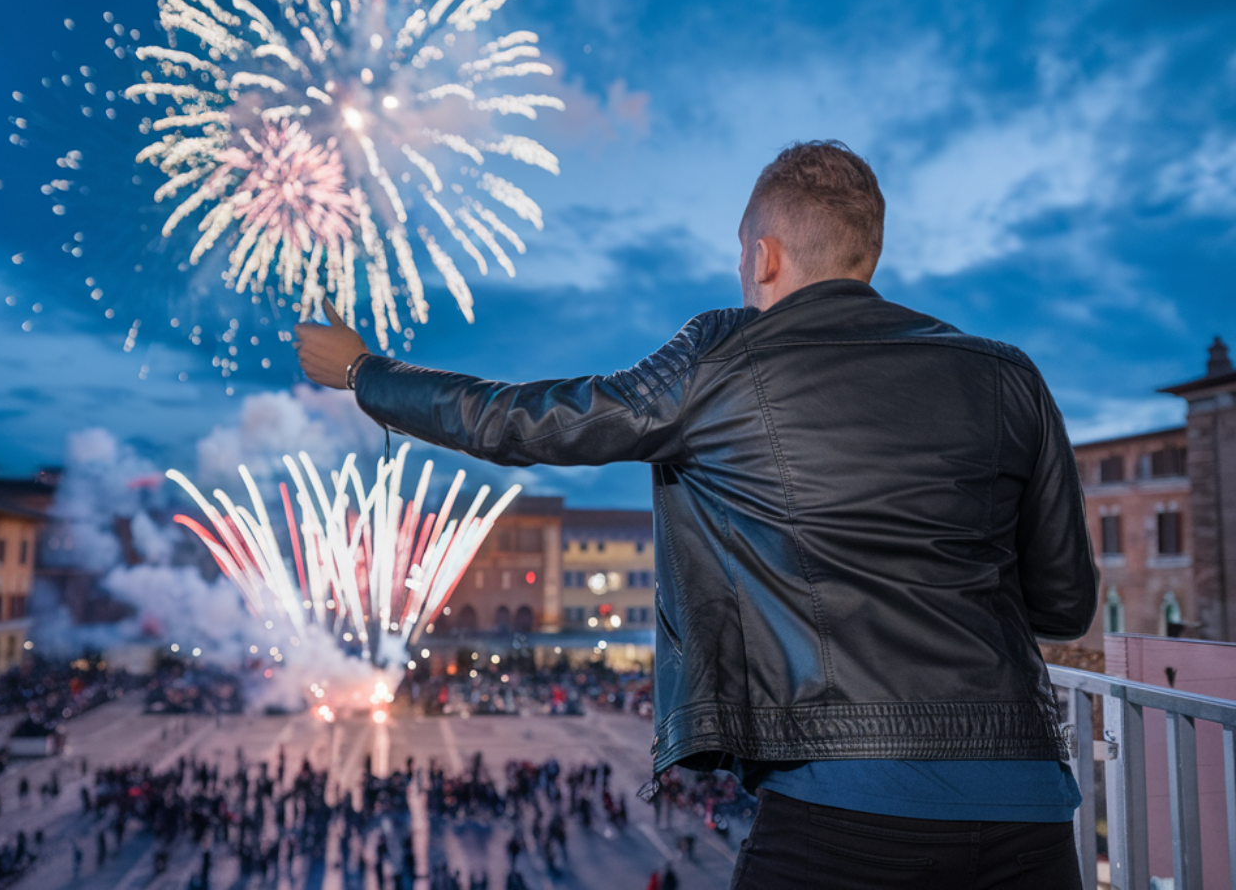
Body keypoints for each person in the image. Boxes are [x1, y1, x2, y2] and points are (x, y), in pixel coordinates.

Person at [294, 140, 1097, 889]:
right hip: (1028, 804)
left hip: (845, 803)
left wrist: (368, 372)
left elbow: (522, 421)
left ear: (764, 254)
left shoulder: (724, 359)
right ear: (867, 254)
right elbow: (1065, 602)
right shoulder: (1008, 374)